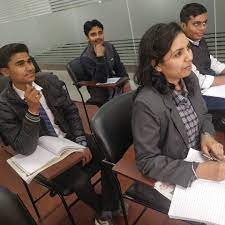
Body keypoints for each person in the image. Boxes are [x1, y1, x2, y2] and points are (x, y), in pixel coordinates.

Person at [0, 43, 120, 225]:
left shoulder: (47, 81)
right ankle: (102, 210)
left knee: (109, 156)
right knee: (80, 181)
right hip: (43, 154)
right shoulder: (4, 105)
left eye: (29, 60)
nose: (29, 67)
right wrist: (32, 111)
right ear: (5, 72)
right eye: (20, 63)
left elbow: (71, 111)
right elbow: (24, 147)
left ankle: (108, 205)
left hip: (69, 139)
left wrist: (80, 141)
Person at [132, 22, 225, 224]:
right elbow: (146, 161)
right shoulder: (146, 104)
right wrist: (196, 170)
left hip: (199, 155)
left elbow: (204, 117)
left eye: (188, 48)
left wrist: (206, 136)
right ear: (156, 64)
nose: (189, 57)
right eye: (178, 54)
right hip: (176, 169)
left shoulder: (189, 79)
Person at [180, 3, 225, 111]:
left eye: (204, 23)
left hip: (211, 86)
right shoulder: (180, 46)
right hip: (197, 93)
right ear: (183, 25)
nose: (203, 28)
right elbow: (198, 81)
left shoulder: (199, 40)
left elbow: (209, 59)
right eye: (197, 24)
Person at [80, 19, 129, 107]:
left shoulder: (109, 46)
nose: (98, 37)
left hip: (115, 85)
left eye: (100, 33)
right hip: (101, 93)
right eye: (93, 34)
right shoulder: (85, 58)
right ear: (87, 37)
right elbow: (100, 80)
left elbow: (119, 67)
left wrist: (126, 81)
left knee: (136, 92)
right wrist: (100, 57)